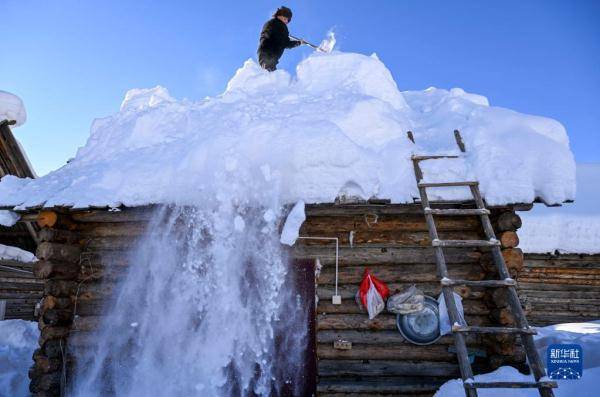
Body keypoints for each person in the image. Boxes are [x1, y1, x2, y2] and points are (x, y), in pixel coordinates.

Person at [257, 6, 304, 71]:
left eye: (288, 20)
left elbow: (280, 40)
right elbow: (286, 43)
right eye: (286, 19)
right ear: (280, 16)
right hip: (270, 55)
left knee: (267, 74)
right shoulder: (280, 25)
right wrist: (298, 43)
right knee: (270, 75)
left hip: (263, 52)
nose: (287, 22)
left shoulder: (270, 23)